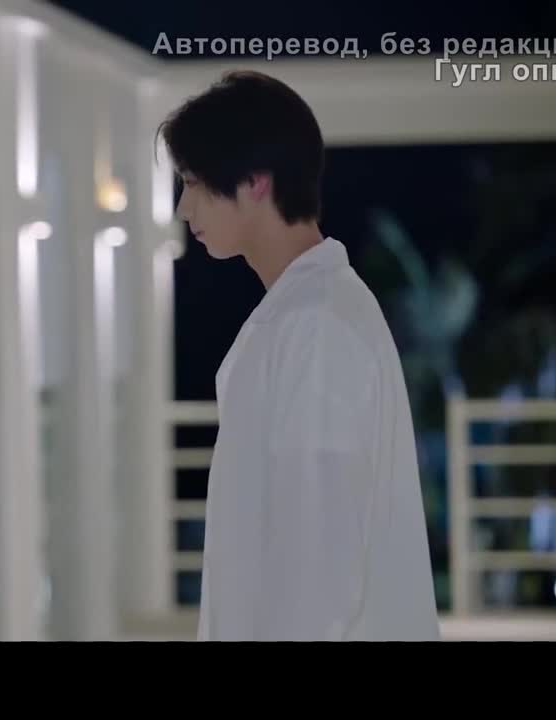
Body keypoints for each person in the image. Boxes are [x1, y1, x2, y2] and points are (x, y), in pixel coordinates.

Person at [158, 71, 440, 641]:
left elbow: (317, 565)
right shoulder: (309, 311)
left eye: (193, 182)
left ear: (256, 181)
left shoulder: (316, 325)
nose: (184, 207)